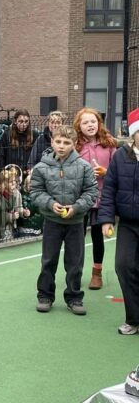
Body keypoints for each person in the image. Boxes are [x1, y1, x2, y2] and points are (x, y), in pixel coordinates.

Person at [30, 125, 98, 316]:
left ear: (74, 144)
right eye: (58, 141)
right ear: (52, 142)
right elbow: (36, 192)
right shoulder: (41, 167)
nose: (61, 146)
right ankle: (45, 295)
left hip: (75, 223)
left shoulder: (84, 167)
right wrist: (51, 204)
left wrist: (75, 208)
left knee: (75, 263)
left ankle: (74, 297)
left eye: (66, 142)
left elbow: (91, 192)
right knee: (48, 260)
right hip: (52, 222)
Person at [97, 107, 139, 335]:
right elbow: (109, 189)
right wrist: (106, 219)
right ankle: (134, 319)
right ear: (133, 134)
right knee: (123, 266)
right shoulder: (121, 157)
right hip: (128, 224)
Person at [73, 107, 118, 290]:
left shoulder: (110, 144)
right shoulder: (75, 145)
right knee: (77, 237)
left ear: (99, 123)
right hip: (80, 198)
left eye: (93, 121)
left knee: (98, 236)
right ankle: (75, 272)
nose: (90, 125)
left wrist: (106, 172)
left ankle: (96, 274)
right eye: (85, 122)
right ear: (79, 126)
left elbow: (118, 170)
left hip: (102, 198)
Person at [0, 109, 37, 173]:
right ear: (15, 121)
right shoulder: (7, 135)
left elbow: (37, 155)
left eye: (26, 121)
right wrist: (1, 172)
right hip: (10, 173)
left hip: (28, 172)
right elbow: (1, 156)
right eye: (21, 121)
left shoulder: (34, 135)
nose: (24, 124)